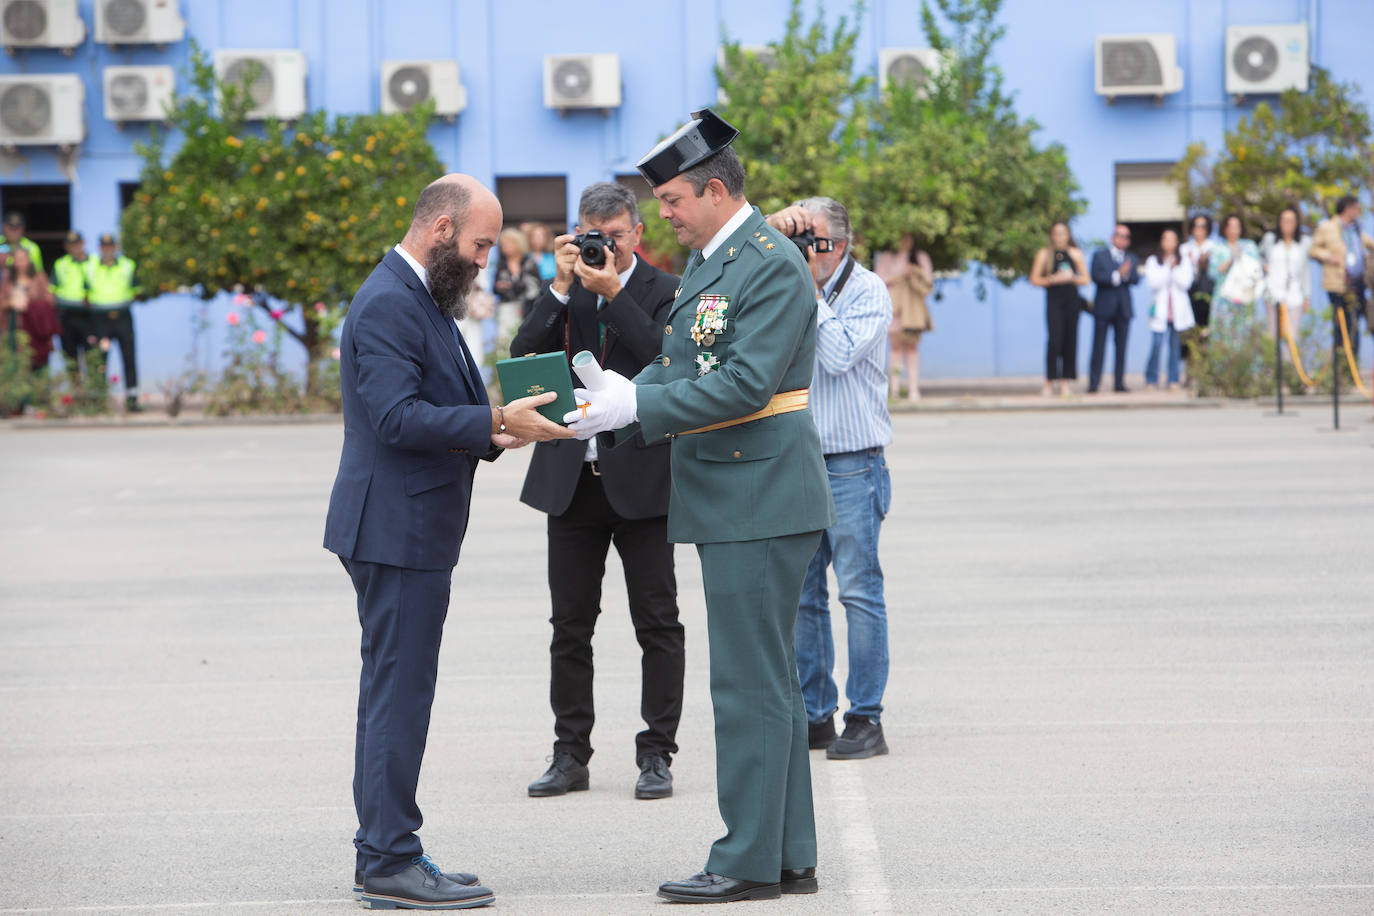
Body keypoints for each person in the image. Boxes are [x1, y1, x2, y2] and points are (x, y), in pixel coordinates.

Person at [565, 109, 835, 904]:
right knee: (770, 684)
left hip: (759, 493)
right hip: (739, 491)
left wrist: (639, 407)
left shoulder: (768, 265)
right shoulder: (721, 261)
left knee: (747, 687)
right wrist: (622, 396)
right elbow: (687, 361)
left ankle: (746, 859)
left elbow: (746, 384)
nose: (665, 215)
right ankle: (786, 853)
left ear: (716, 191)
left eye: (674, 200)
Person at [322, 173, 574, 911]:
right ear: (440, 231)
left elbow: (437, 403)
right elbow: (396, 417)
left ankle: (386, 850)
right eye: (480, 245)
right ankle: (389, 861)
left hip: (409, 526)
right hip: (394, 530)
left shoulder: (417, 295)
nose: (485, 261)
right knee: (399, 696)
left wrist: (497, 428)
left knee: (395, 692)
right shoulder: (388, 303)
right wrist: (492, 421)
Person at [511, 182, 685, 801]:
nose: (602, 249)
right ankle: (570, 754)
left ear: (637, 234)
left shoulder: (667, 290)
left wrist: (614, 293)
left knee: (657, 623)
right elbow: (522, 355)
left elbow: (669, 360)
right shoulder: (567, 290)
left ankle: (656, 752)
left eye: (613, 237)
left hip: (643, 480)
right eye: (591, 237)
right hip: (571, 482)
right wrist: (560, 290)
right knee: (569, 626)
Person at [764, 196, 894, 760]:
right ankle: (817, 714)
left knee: (859, 592)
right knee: (804, 595)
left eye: (808, 241)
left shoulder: (868, 291)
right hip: (798, 459)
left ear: (837, 245)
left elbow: (838, 354)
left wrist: (809, 290)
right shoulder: (792, 285)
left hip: (852, 464)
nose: (800, 251)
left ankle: (866, 717)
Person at [1310, 195, 1374, 362]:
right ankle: (1341, 367)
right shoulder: (1327, 227)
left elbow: (1370, 244)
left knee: (1355, 325)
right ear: (1348, 209)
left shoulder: (1356, 229)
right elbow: (1313, 249)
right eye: (1357, 209)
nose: (1359, 212)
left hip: (1358, 284)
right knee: (1342, 325)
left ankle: (1353, 364)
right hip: (1337, 283)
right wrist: (1329, 256)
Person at [1029, 221, 1089, 396]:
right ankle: (1049, 380)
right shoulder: (1044, 254)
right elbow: (1034, 279)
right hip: (1054, 300)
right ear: (1052, 235)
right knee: (1054, 340)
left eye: (1063, 233)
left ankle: (1065, 382)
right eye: (1056, 233)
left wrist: (1072, 278)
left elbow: (1085, 279)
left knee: (1070, 340)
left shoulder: (1075, 253)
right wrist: (1052, 279)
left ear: (1068, 235)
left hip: (1071, 300)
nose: (1060, 237)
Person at [84, 234, 142, 411]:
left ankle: (132, 400)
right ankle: (99, 400)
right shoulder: (90, 266)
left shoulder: (127, 265)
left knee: (129, 357)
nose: (107, 250)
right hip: (100, 319)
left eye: (110, 246)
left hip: (122, 316)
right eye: (104, 246)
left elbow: (137, 291)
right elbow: (85, 294)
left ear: (116, 247)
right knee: (100, 359)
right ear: (100, 248)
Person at [874, 234, 933, 400]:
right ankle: (894, 389)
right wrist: (900, 275)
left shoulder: (920, 257)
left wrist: (913, 273)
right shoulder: (887, 257)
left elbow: (928, 282)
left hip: (912, 310)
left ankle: (913, 389)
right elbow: (878, 279)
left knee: (912, 348)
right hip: (894, 308)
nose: (905, 239)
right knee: (896, 348)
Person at [1088, 224, 1140, 393]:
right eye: (1120, 235)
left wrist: (1126, 274)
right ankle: (1094, 383)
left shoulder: (1131, 258)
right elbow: (1096, 276)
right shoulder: (1100, 255)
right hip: (1103, 308)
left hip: (1123, 309)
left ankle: (1119, 383)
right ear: (1113, 237)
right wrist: (1118, 274)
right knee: (1098, 347)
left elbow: (1135, 279)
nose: (1122, 239)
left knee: (1121, 348)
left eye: (1126, 237)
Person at [1142, 228, 1195, 391]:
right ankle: (1151, 379)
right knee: (1156, 345)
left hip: (1178, 312)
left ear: (1177, 243)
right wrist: (1167, 268)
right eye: (1166, 239)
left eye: (1172, 239)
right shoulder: (1153, 261)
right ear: (1161, 242)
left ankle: (1173, 379)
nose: (1169, 243)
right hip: (1160, 311)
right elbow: (1153, 284)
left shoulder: (1184, 261)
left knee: (1175, 348)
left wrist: (1174, 269)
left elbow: (1186, 283)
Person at [1, 246, 60, 374]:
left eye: (22, 259)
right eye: (17, 259)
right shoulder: (8, 278)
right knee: (16, 365)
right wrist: (11, 302)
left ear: (29, 260)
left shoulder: (39, 277)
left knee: (38, 366)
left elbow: (50, 301)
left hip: (36, 330)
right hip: (14, 329)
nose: (20, 263)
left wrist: (29, 304)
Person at [1265, 206, 1312, 339]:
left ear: (1296, 223)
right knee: (1273, 334)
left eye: (1291, 221)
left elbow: (1305, 270)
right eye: (1284, 220)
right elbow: (1259, 256)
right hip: (1273, 293)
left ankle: (1288, 355)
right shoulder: (1270, 240)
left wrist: (1306, 296)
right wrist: (1264, 265)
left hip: (1295, 294)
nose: (1287, 224)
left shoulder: (1304, 243)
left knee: (1291, 335)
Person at [52, 231, 94, 371]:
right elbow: (52, 291)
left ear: (83, 243)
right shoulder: (61, 264)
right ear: (66, 246)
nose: (74, 248)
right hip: (67, 315)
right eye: (71, 245)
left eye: (77, 244)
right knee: (70, 356)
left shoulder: (95, 261)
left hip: (89, 315)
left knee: (92, 356)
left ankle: (93, 384)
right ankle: (76, 384)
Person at [1208, 215, 1263, 321]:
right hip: (1223, 296)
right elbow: (1213, 273)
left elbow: (1257, 270)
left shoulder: (1249, 246)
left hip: (1246, 294)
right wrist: (1231, 260)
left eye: (1236, 227)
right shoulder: (1218, 248)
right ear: (1224, 228)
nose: (1233, 230)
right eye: (1230, 227)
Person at [491, 227, 542, 338]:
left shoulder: (529, 262)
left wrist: (511, 285)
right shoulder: (502, 264)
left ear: (517, 244)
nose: (504, 248)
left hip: (528, 309)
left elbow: (536, 287)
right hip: (507, 309)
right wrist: (501, 286)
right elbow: (495, 288)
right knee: (505, 339)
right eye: (503, 245)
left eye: (507, 244)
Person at [1179, 214, 1217, 338]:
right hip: (1188, 292)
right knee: (1189, 329)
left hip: (1208, 292)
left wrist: (1205, 264)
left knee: (1206, 328)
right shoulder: (1184, 248)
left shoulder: (1214, 247)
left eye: (1203, 226)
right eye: (1196, 226)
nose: (1199, 229)